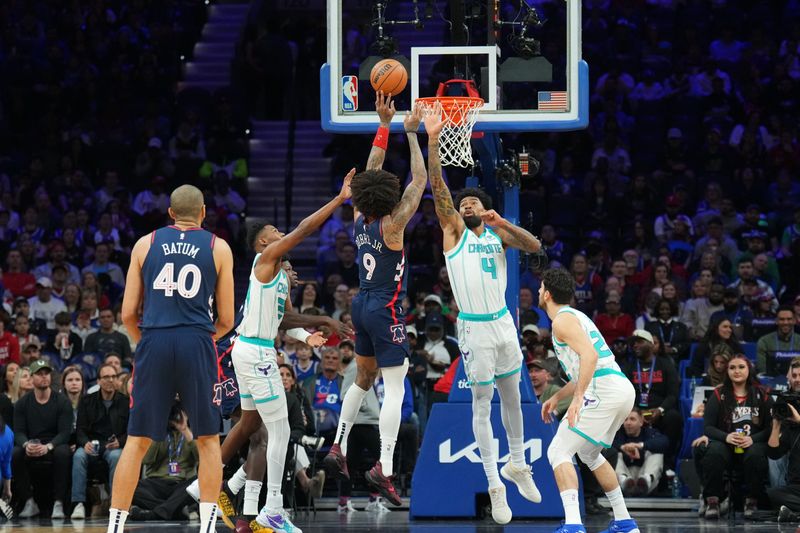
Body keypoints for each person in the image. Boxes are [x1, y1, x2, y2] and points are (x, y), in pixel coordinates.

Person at [420, 102, 545, 524]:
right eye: (465, 202)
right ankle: (495, 485)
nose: (468, 204)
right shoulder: (453, 232)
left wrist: (504, 224)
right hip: (473, 329)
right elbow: (438, 189)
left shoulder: (496, 235)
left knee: (513, 398)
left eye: (474, 201)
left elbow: (534, 248)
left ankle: (517, 464)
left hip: (504, 325)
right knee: (481, 403)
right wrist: (434, 139)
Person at [106, 184, 235, 533]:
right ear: (204, 212)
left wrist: (144, 342)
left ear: (171, 214)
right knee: (208, 440)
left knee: (137, 442)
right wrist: (200, 340)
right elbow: (226, 319)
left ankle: (114, 528)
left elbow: (128, 312)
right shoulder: (219, 247)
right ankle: (208, 528)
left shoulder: (144, 244)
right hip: (197, 341)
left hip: (154, 340)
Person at [229, 172, 353, 533]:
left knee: (260, 433)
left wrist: (305, 334)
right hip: (256, 352)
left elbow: (280, 318)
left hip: (251, 348)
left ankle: (247, 509)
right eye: (275, 233)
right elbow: (305, 228)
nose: (282, 235)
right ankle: (273, 508)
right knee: (280, 430)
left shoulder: (278, 273)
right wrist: (338, 199)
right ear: (263, 242)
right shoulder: (267, 258)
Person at [324, 95, 431, 507]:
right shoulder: (392, 224)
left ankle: (338, 445)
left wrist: (382, 125)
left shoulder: (360, 218)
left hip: (361, 303)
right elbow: (418, 182)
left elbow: (370, 174)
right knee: (396, 385)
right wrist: (412, 133)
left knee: (364, 379)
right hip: (385, 307)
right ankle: (383, 467)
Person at [538, 268, 639, 533]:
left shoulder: (561, 320)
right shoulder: (576, 317)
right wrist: (559, 396)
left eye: (540, 289)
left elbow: (590, 358)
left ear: (547, 294)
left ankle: (572, 525)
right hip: (618, 387)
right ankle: (624, 522)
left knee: (558, 451)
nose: (538, 292)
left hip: (603, 389)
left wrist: (579, 398)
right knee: (589, 454)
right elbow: (586, 366)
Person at [700, 354, 771, 519]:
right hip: (726, 443)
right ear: (727, 371)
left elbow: (770, 428)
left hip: (752, 442)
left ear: (749, 369)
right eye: (732, 368)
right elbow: (708, 427)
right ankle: (713, 501)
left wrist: (753, 439)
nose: (736, 371)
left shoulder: (763, 394)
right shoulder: (719, 394)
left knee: (756, 454)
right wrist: (726, 437)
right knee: (714, 451)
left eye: (741, 367)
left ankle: (751, 501)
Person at [11, 359, 73, 519]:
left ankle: (58, 503)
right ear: (31, 378)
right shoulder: (22, 403)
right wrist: (26, 444)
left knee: (63, 452)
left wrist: (49, 446)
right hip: (32, 444)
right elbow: (18, 432)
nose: (44, 377)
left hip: (54, 444)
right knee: (15, 453)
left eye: (46, 374)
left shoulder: (62, 401)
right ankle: (29, 502)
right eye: (39, 374)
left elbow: (65, 432)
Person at [70, 363, 129, 520]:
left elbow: (130, 431)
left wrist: (120, 442)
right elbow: (80, 429)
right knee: (78, 456)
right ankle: (78, 504)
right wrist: (84, 443)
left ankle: (115, 504)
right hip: (92, 444)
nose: (110, 380)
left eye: (113, 377)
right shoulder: (86, 401)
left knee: (117, 457)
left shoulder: (125, 401)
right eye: (106, 377)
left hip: (113, 446)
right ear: (98, 381)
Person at [129, 403, 198, 521]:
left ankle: (156, 513)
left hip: (182, 484)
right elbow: (147, 460)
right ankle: (175, 510)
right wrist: (158, 430)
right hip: (157, 483)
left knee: (199, 483)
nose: (174, 418)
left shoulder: (193, 432)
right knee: (130, 487)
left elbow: (202, 458)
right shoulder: (154, 431)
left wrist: (185, 430)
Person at [767, 361, 800, 522]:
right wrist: (776, 424)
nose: (797, 379)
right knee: (773, 494)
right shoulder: (785, 400)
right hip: (796, 486)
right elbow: (774, 454)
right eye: (794, 376)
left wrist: (798, 419)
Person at [612, 409, 669, 496]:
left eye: (632, 419)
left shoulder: (649, 433)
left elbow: (664, 442)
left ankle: (646, 481)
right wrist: (622, 447)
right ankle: (625, 481)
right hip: (624, 476)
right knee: (614, 453)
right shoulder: (618, 434)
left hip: (645, 475)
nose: (628, 423)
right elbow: (605, 445)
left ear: (641, 422)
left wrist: (640, 446)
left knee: (657, 452)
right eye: (625, 419)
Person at [756, 305, 800, 377]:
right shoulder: (764, 341)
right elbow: (763, 370)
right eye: (782, 319)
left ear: (794, 321)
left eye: (789, 319)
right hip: (771, 383)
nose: (785, 322)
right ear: (776, 321)